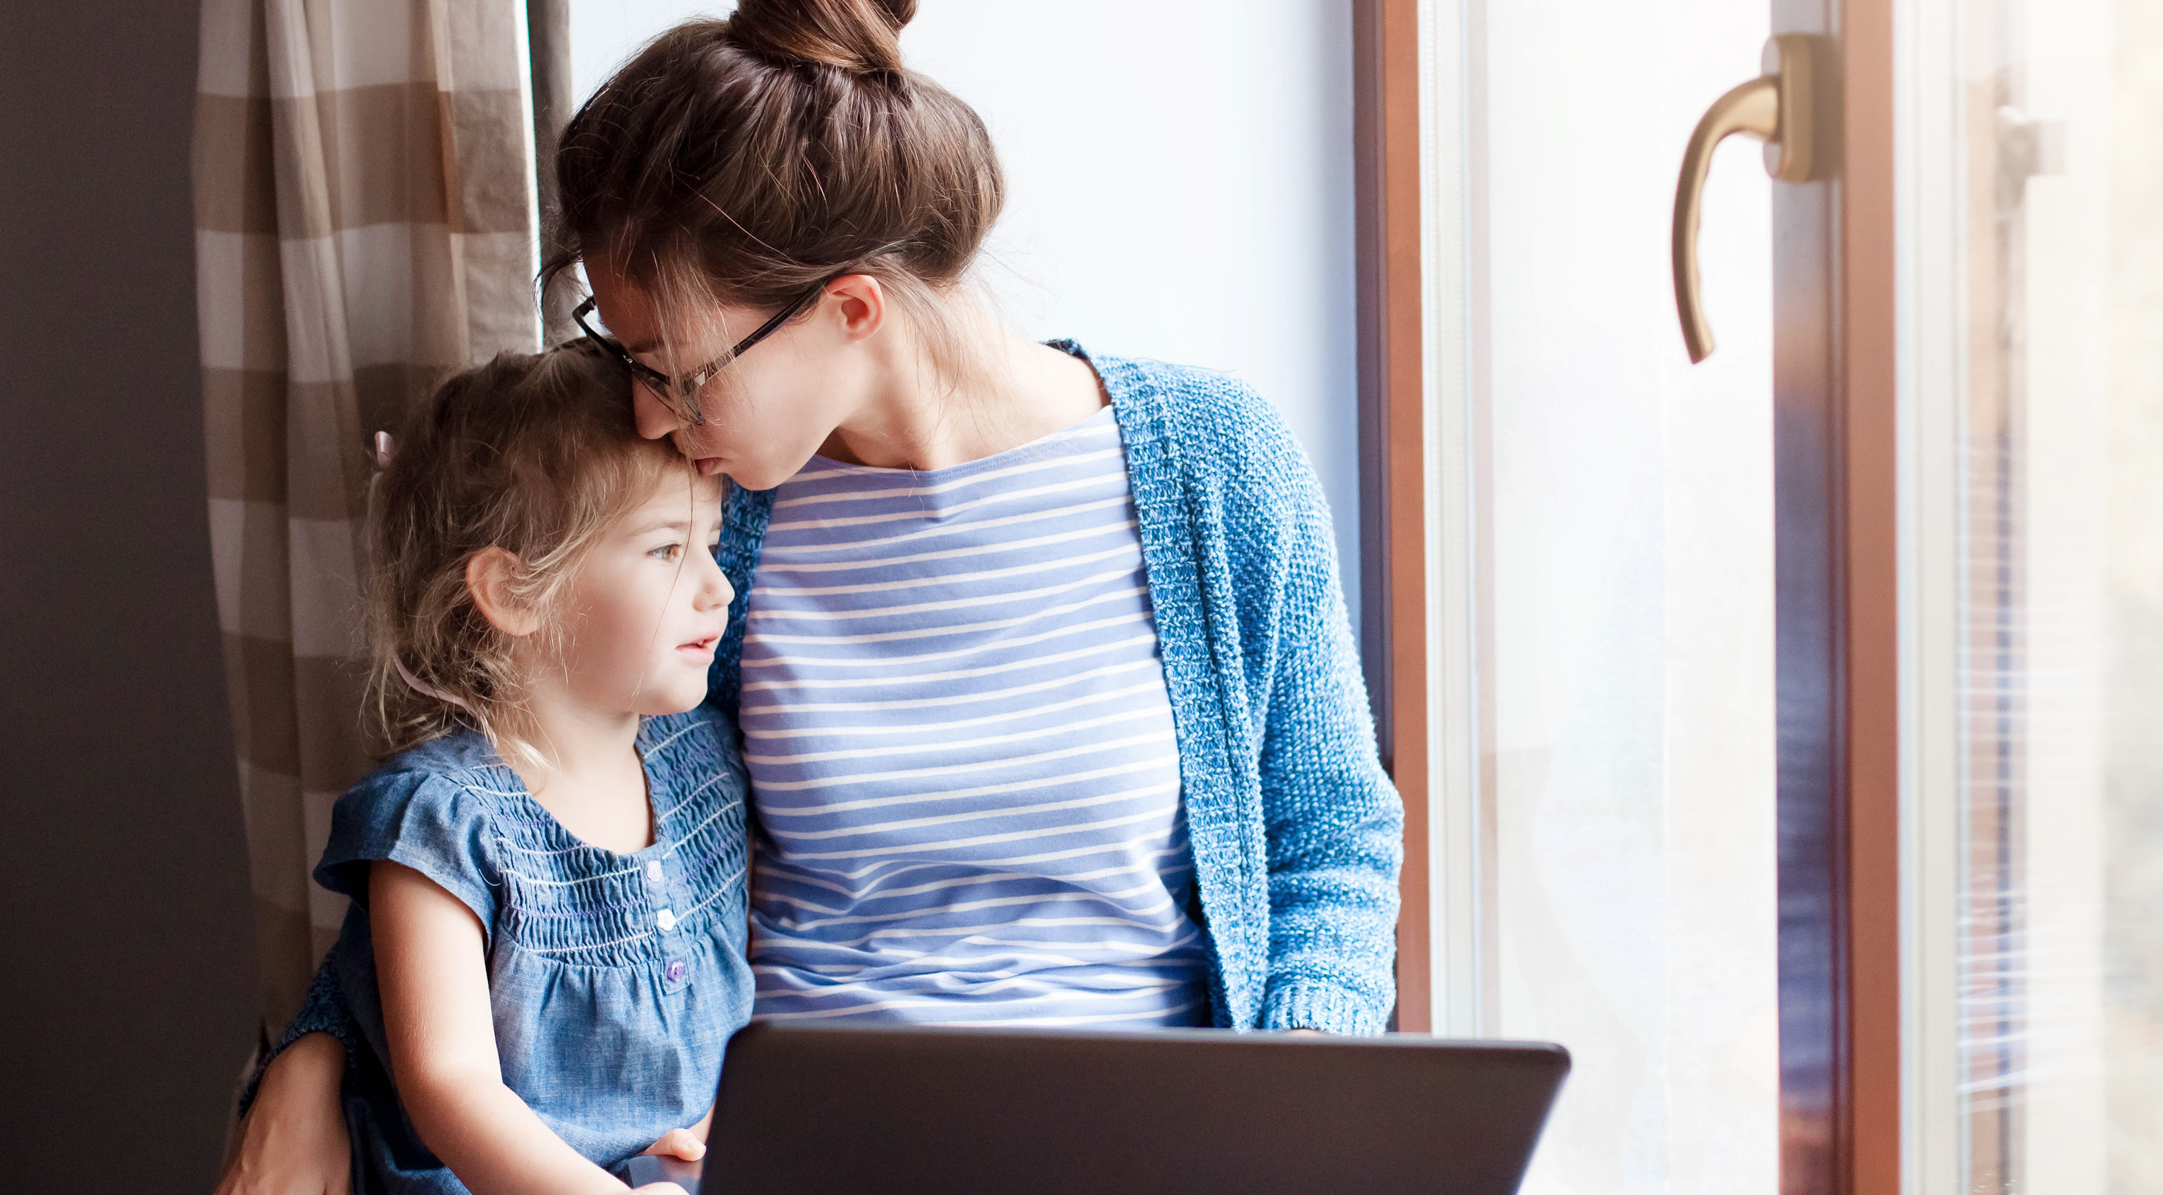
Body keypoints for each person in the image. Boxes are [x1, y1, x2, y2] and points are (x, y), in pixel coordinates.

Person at [221, 1, 1402, 1190]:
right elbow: (519, 792)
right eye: (625, 358)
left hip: (1152, 1148)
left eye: (675, 372)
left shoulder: (1213, 463)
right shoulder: (696, 507)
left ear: (848, 310)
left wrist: (1286, 1098)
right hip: (800, 1154)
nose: (643, 412)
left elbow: (1331, 839)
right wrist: (315, 1054)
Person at [228, 344, 751, 1195]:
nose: (716, 587)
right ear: (515, 593)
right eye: (664, 551)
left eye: (714, 543)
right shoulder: (441, 815)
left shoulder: (706, 764)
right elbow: (450, 1086)